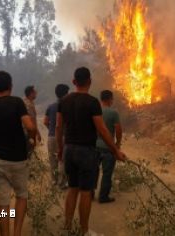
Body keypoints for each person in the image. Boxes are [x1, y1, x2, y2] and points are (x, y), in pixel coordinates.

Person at [56, 67, 126, 235]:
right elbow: (102, 130)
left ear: (74, 82)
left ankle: (67, 226)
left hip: (69, 150)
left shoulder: (63, 101)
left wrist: (60, 148)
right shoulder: (92, 102)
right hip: (86, 152)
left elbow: (59, 127)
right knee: (86, 192)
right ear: (89, 81)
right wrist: (115, 150)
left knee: (72, 188)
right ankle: (83, 230)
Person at [0, 71, 36, 236]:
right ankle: (17, 233)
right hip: (18, 160)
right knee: (21, 196)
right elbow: (31, 127)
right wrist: (31, 141)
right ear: (11, 86)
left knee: (3, 203)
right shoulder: (17, 103)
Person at [96, 90, 122, 203]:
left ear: (101, 99)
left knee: (93, 171)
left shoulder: (95, 111)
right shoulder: (113, 113)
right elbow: (118, 129)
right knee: (107, 173)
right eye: (112, 99)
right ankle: (103, 196)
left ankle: (89, 194)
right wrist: (117, 144)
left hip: (94, 147)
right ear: (109, 99)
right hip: (108, 148)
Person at [44, 84, 70, 187]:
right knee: (62, 159)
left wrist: (51, 130)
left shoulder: (50, 106)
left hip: (51, 137)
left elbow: (45, 121)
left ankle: (54, 181)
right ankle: (62, 182)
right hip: (63, 136)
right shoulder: (67, 106)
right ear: (65, 94)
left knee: (52, 159)